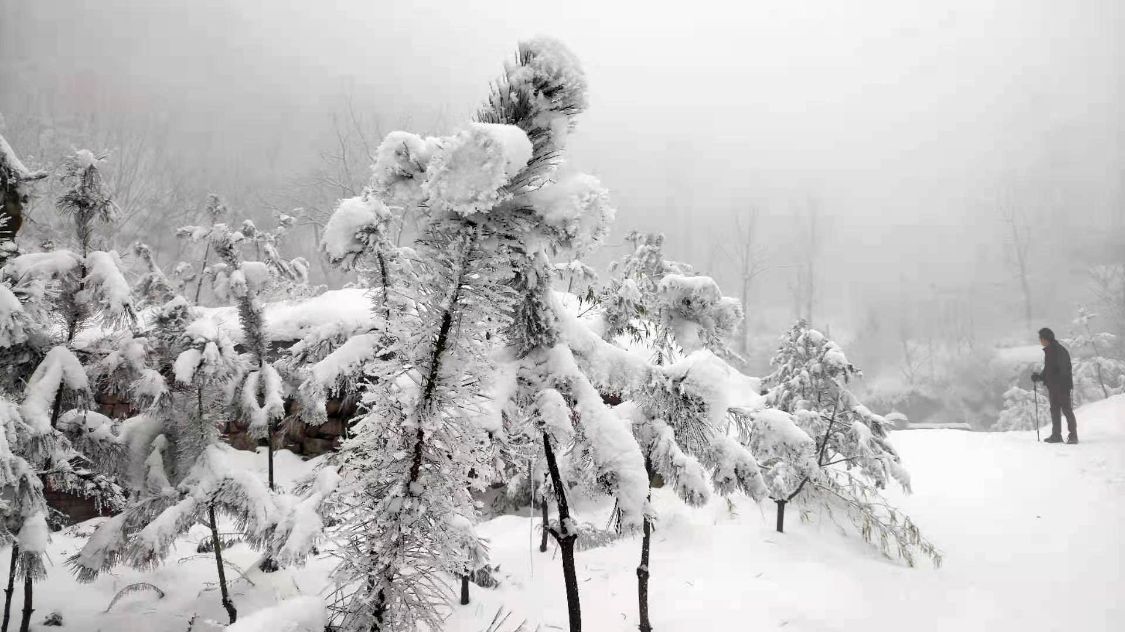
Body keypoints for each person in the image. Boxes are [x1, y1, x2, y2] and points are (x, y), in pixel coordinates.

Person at [1032, 327, 1078, 444]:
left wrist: (1060, 384)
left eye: (1040, 338)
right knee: (1055, 410)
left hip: (1061, 387)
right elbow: (1049, 370)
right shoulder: (1051, 350)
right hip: (1055, 387)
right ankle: (1056, 435)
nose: (1040, 341)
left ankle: (1073, 436)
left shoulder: (1058, 350)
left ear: (1045, 339)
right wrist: (1039, 377)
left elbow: (1063, 369)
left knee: (1066, 410)